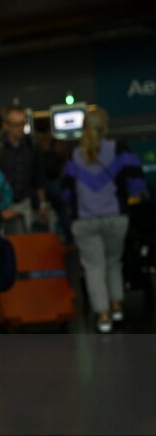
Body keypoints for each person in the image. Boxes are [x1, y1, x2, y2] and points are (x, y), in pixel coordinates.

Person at [61, 108, 146, 332]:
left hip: (85, 221)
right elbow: (137, 184)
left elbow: (66, 193)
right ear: (106, 127)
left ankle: (103, 316)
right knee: (113, 263)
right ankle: (117, 307)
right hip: (115, 218)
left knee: (93, 268)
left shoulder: (74, 156)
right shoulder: (119, 150)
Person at [0, 104, 47, 234]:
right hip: (1, 204)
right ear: (6, 125)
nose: (21, 129)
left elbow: (38, 177)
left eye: (23, 124)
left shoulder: (32, 144)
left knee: (24, 244)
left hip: (24, 201)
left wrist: (42, 204)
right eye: (16, 125)